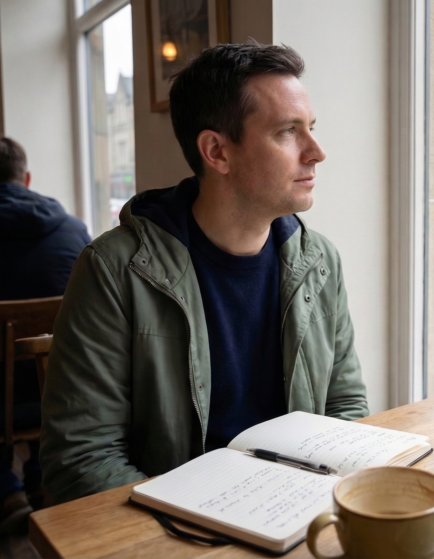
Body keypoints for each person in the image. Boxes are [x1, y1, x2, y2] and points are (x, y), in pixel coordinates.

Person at [40, 42, 368, 505]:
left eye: (311, 129)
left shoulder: (319, 261)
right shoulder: (114, 271)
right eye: (288, 132)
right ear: (217, 151)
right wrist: (203, 526)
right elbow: (82, 460)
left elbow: (346, 408)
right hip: (176, 527)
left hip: (296, 513)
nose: (317, 152)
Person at [0, 137, 89, 530]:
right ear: (28, 178)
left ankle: (6, 491)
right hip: (60, 393)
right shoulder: (73, 230)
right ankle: (40, 477)